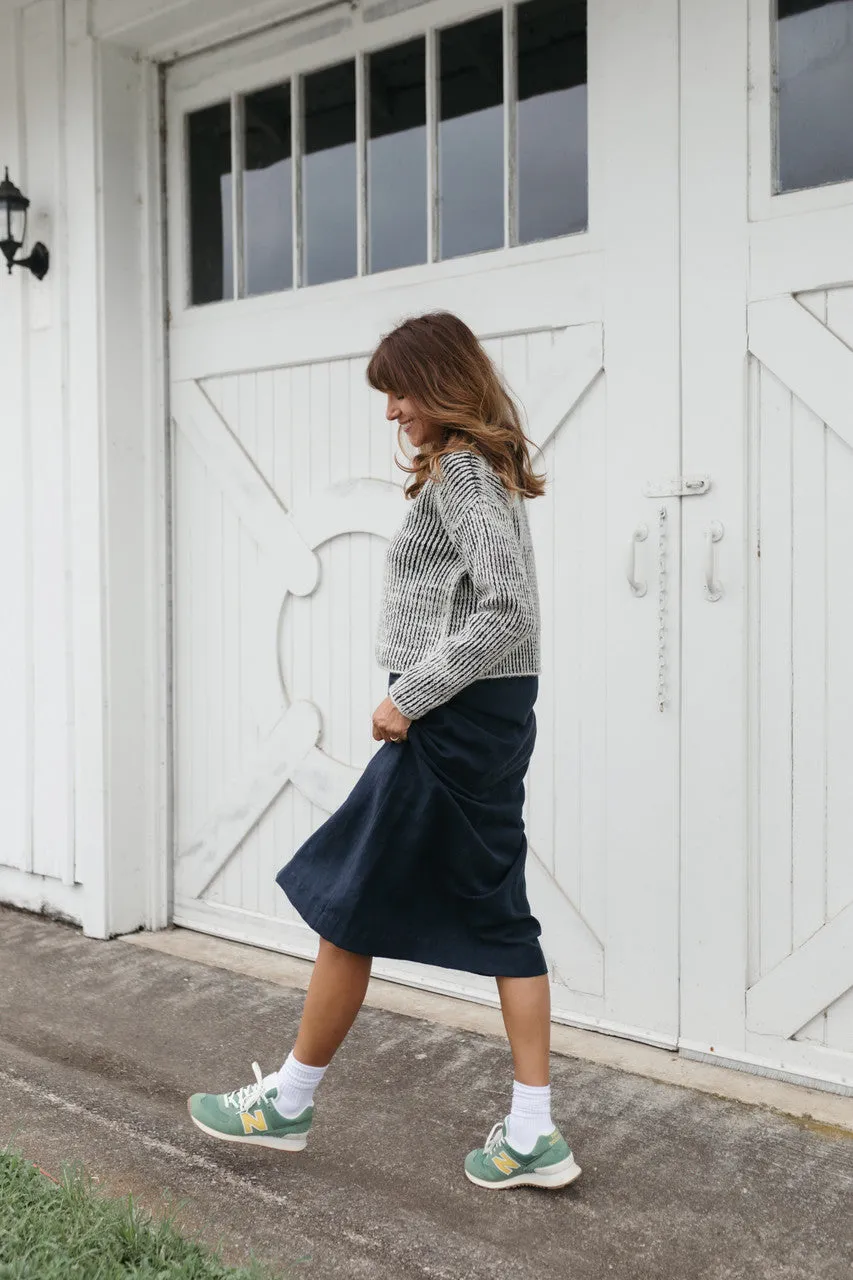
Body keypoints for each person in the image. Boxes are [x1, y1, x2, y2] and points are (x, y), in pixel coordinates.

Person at [187, 311, 582, 1192]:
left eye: (400, 391)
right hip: (485, 716)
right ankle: (532, 1133)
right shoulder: (478, 470)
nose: (393, 410)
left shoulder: (466, 474)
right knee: (495, 914)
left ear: (441, 383)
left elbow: (506, 612)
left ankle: (287, 1104)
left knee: (349, 900)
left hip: (452, 722)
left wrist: (408, 697)